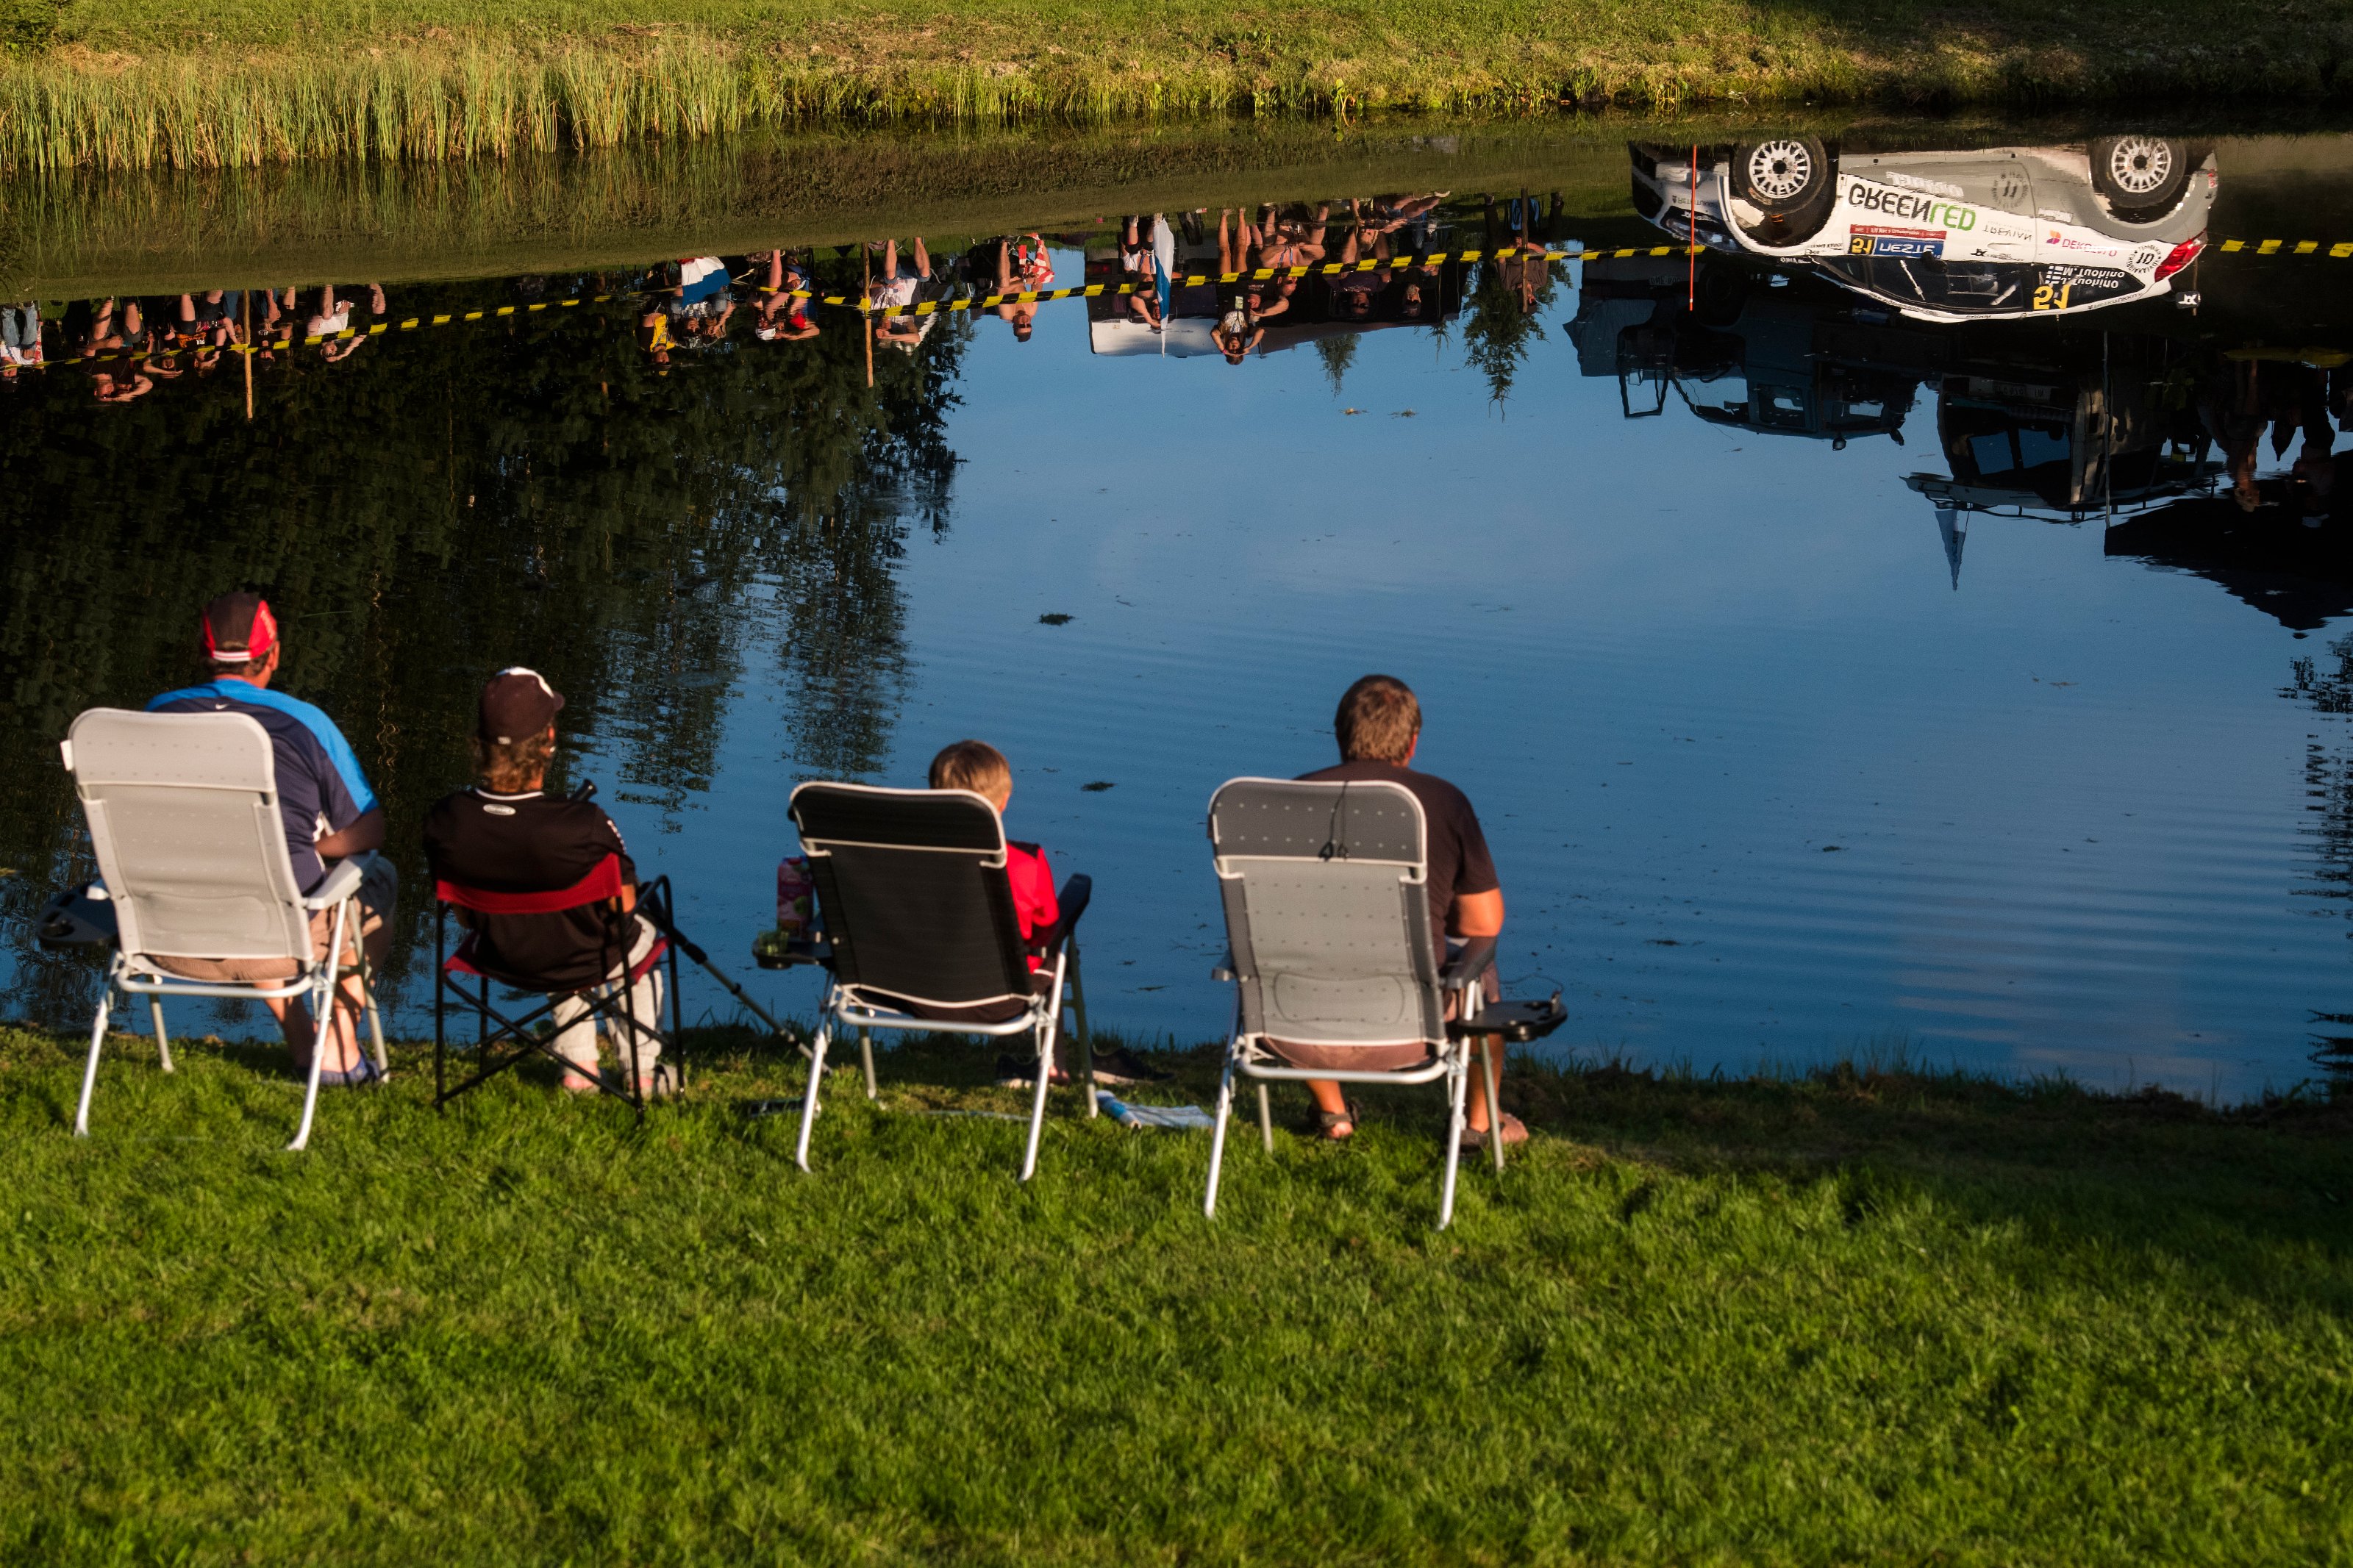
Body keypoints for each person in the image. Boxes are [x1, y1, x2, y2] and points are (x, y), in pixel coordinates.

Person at [146, 593, 396, 1086]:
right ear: (274, 653)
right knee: (378, 878)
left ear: (203, 649)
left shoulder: (156, 715)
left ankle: (304, 1041)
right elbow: (370, 831)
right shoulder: (306, 723)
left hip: (162, 937)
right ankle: (338, 1044)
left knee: (248, 872)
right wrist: (309, 848)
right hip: (276, 940)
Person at [421, 669, 668, 1098]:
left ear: (479, 741)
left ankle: (579, 1071)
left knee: (553, 925)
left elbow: (462, 913)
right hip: (585, 956)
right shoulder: (584, 824)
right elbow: (622, 904)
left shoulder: (447, 819)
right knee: (631, 931)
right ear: (549, 739)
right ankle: (642, 1074)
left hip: (501, 956)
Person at [1295, 675, 1516, 1148]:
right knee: (1483, 964)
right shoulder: (1445, 803)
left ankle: (1334, 1116)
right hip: (1413, 1023)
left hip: (1294, 1020)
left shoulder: (1286, 803)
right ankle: (1478, 1128)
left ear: (1338, 735)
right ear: (1413, 744)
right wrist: (1436, 915)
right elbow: (1485, 922)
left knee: (1284, 954)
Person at [927, 740, 1163, 1086]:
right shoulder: (1024, 863)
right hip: (1001, 997)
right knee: (1055, 952)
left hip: (904, 991)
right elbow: (1046, 928)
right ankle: (1054, 1064)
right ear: (1003, 802)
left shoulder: (894, 860)